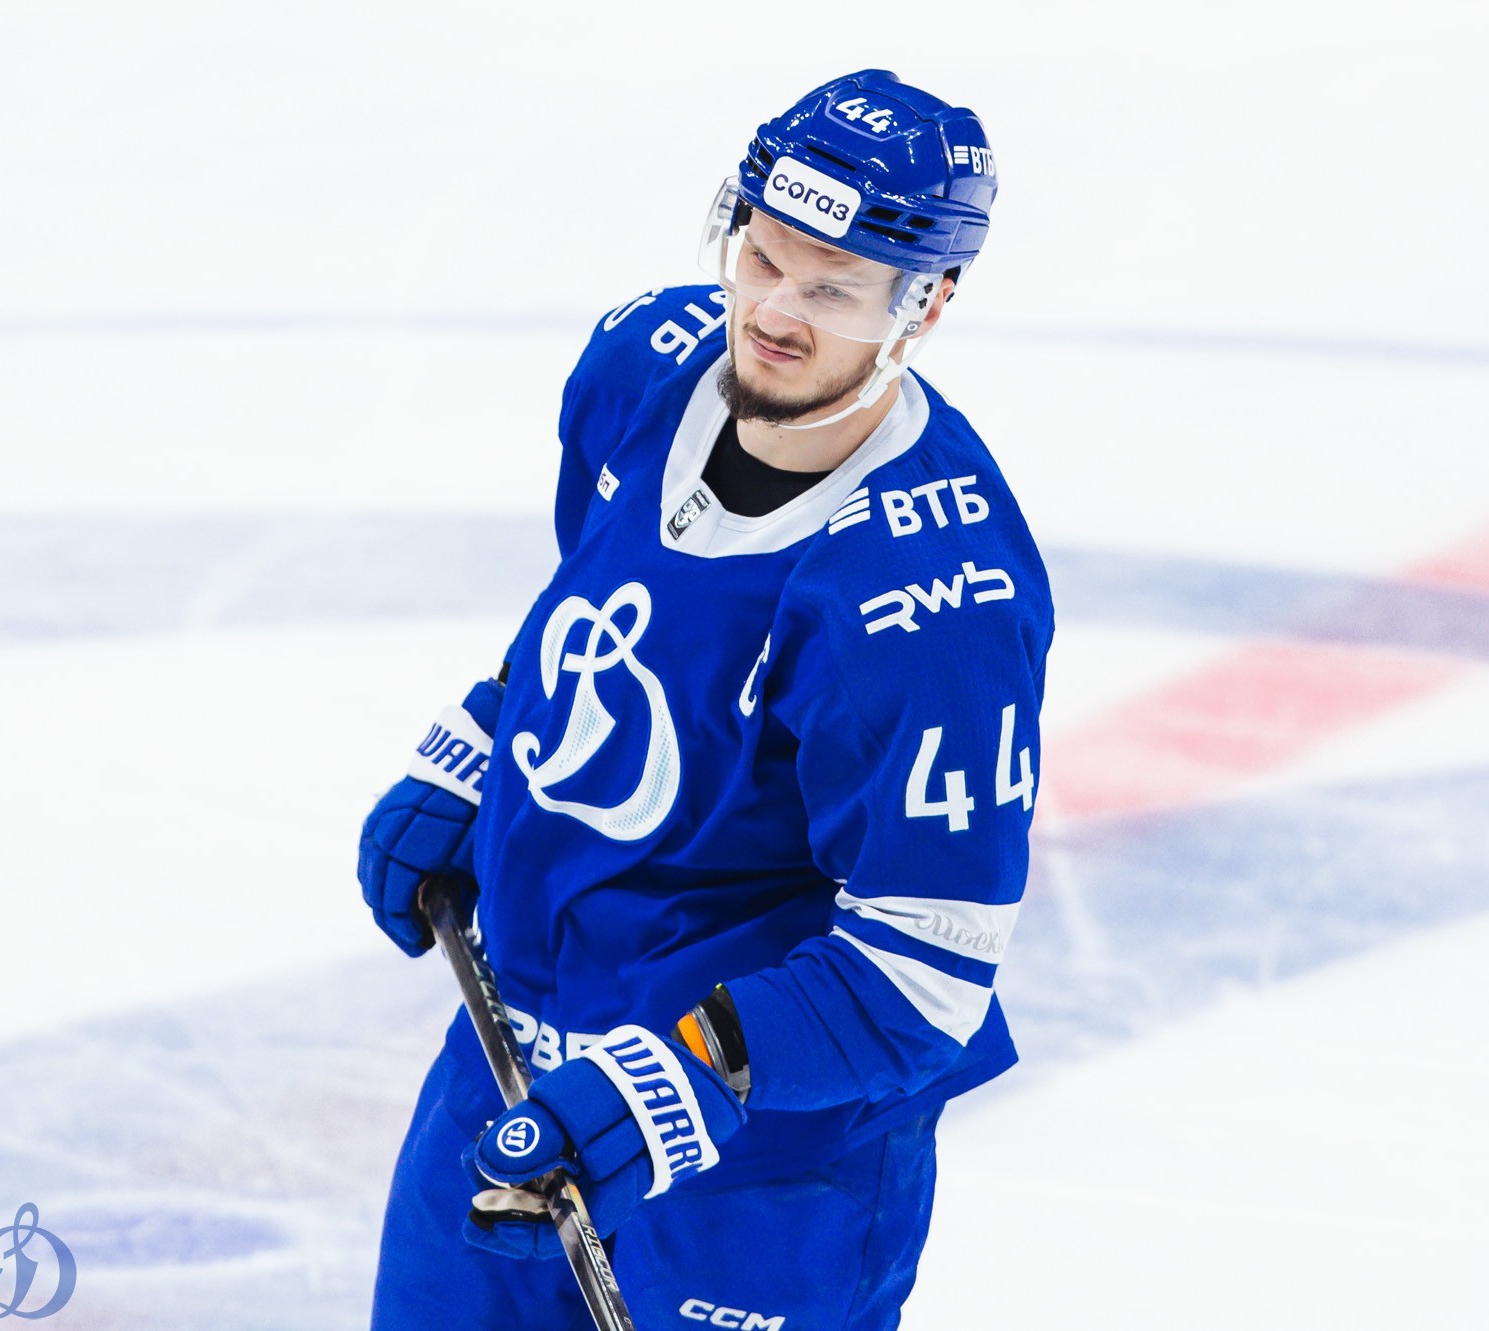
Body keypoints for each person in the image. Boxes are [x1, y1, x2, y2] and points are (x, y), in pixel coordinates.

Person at [356, 69, 1051, 1331]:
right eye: (762, 257)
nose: (772, 312)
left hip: (756, 1175)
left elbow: (925, 971)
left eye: (832, 289)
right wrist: (488, 737)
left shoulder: (928, 604)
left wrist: (686, 1072)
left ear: (927, 301)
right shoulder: (644, 365)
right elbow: (605, 605)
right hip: (513, 1069)